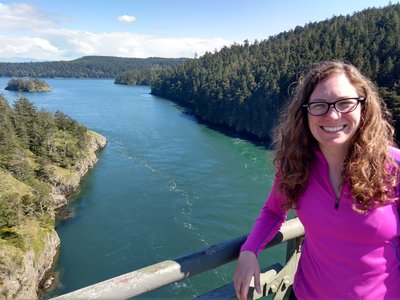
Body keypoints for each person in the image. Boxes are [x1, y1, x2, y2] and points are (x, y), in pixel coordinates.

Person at [233, 60, 400, 299]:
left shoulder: (394, 168)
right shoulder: (296, 165)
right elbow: (273, 211)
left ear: (364, 107)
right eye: (319, 105)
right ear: (305, 112)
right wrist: (249, 250)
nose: (332, 115)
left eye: (345, 103)